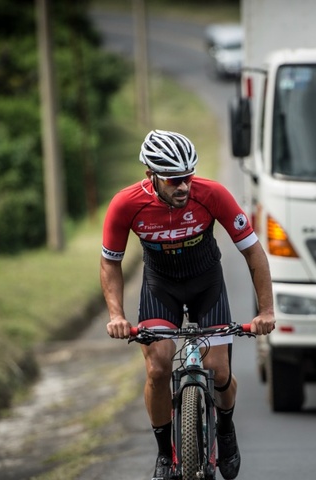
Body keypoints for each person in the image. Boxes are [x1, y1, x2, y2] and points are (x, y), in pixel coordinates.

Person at [101, 129, 275, 480]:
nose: (183, 186)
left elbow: (253, 252)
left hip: (205, 284)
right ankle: (165, 454)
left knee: (220, 370)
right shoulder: (126, 204)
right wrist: (116, 315)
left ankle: (225, 430)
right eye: (173, 180)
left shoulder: (212, 195)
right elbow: (110, 262)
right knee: (158, 367)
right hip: (160, 287)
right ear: (151, 176)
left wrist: (266, 310)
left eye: (188, 177)